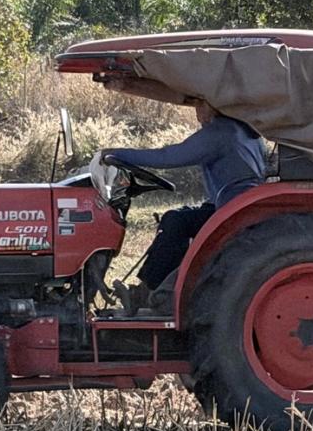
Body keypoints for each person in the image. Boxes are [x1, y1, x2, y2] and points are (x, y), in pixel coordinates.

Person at [99, 98, 265, 313]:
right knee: (179, 218)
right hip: (238, 207)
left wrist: (116, 154)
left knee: (176, 221)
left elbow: (168, 157)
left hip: (231, 212)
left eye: (199, 104)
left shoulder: (220, 132)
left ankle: (147, 295)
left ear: (214, 105)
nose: (197, 112)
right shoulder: (246, 131)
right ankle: (151, 292)